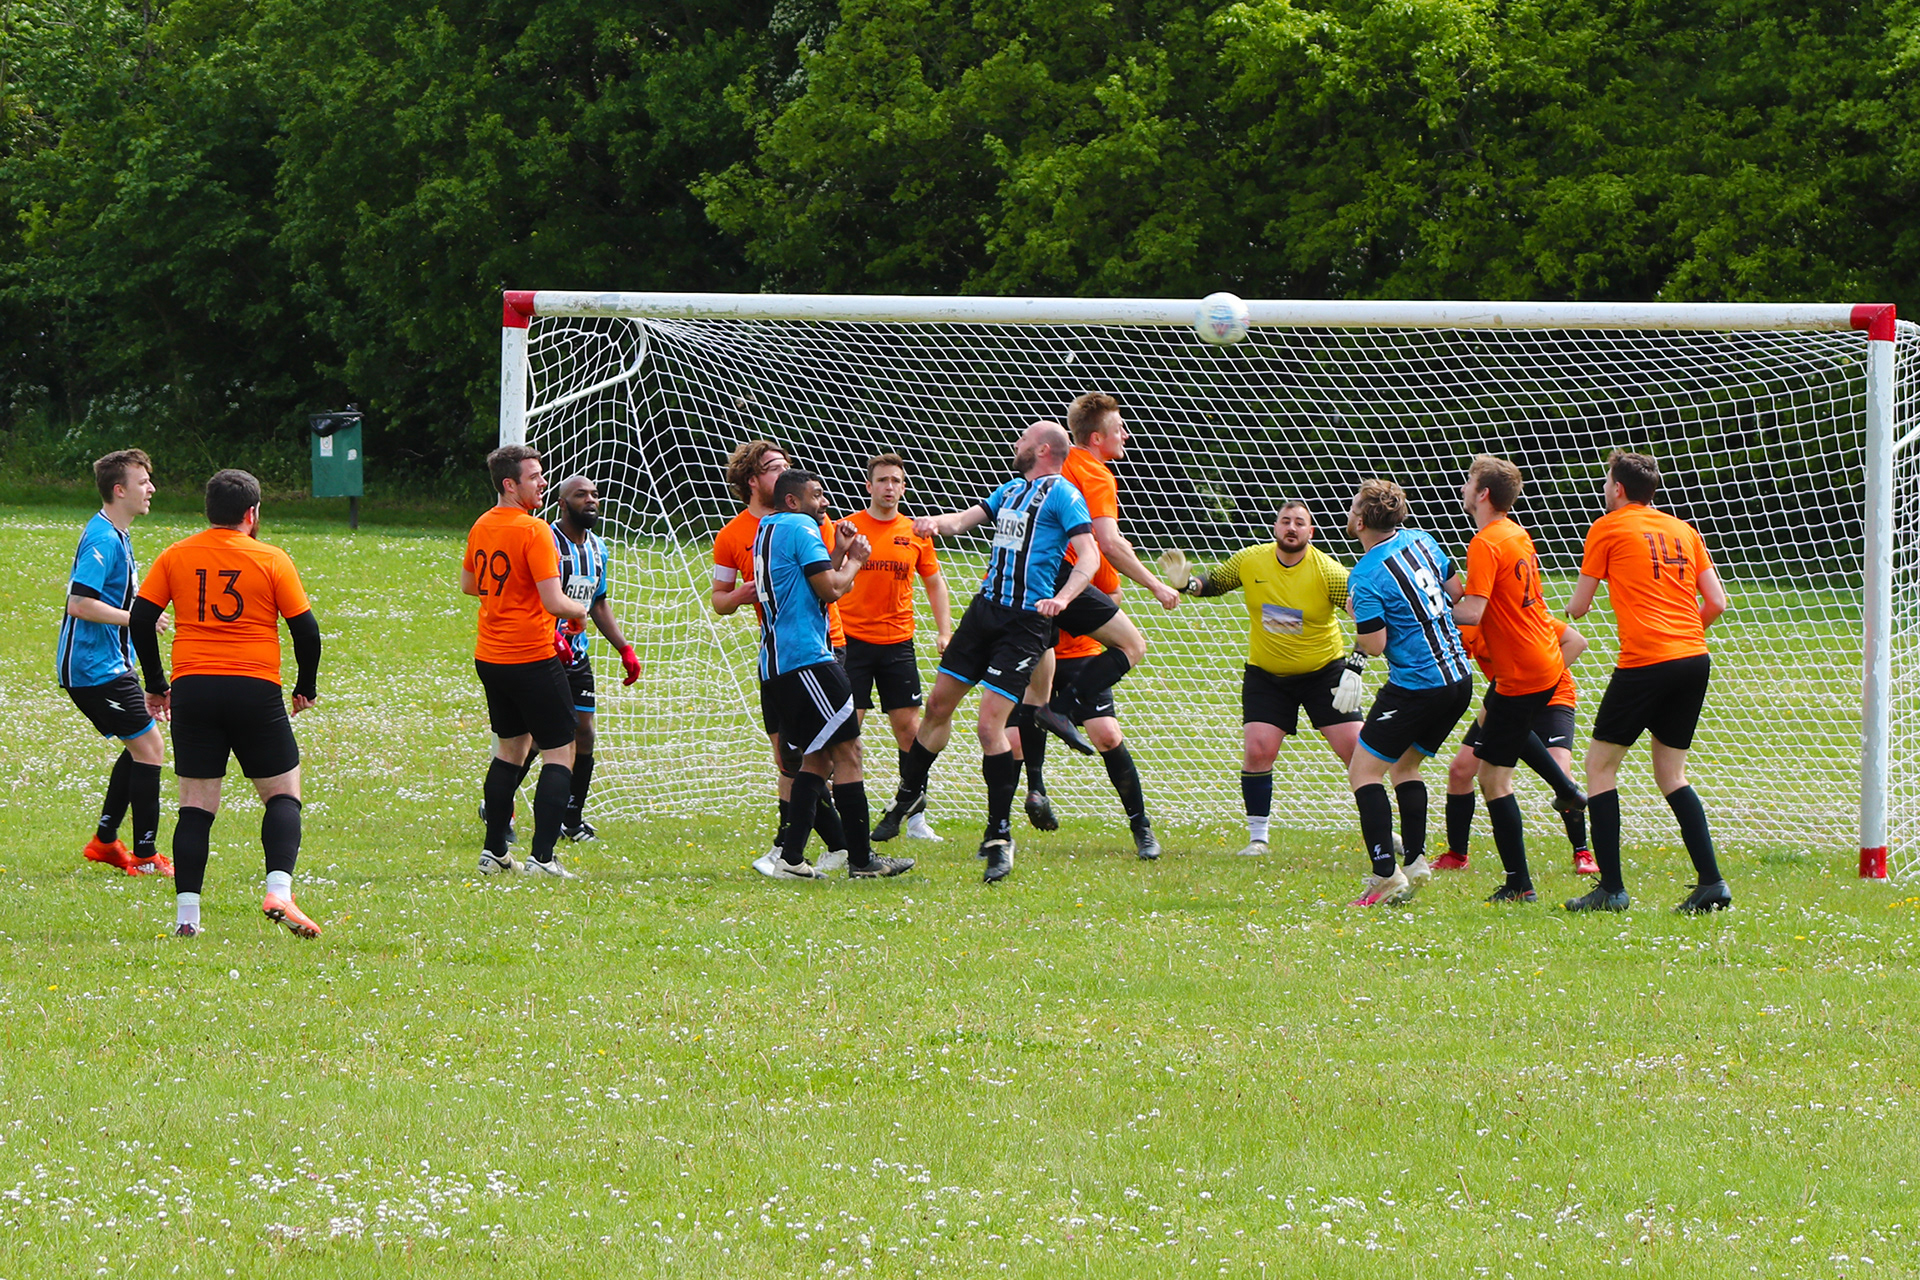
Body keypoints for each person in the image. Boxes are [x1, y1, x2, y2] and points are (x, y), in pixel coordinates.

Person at [874, 421, 1105, 882]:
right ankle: (907, 795)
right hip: (984, 613)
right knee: (937, 706)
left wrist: (1064, 598)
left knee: (988, 726)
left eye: (1023, 439)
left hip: (1024, 625)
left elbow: (1090, 555)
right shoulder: (1011, 490)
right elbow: (964, 521)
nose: (1016, 443)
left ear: (1043, 449)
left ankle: (999, 836)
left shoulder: (1064, 494)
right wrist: (935, 523)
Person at [128, 469, 323, 937]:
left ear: (208, 511)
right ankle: (279, 890)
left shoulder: (177, 554)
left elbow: (141, 619)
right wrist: (305, 686)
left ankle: (187, 920)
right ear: (251, 513)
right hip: (254, 688)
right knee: (282, 794)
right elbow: (306, 630)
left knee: (196, 806)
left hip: (194, 689)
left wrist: (155, 683)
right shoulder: (271, 558)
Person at [1564, 450, 1729, 913]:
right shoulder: (1684, 530)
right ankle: (1711, 883)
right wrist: (1682, 635)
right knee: (1671, 774)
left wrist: (1572, 609)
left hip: (1645, 662)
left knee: (1600, 767)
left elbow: (1580, 606)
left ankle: (1611, 889)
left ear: (1618, 488)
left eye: (1606, 482)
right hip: (1693, 658)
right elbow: (1716, 602)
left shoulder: (1607, 527)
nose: (1604, 489)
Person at [1012, 392, 1173, 861]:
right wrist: (1156, 585)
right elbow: (1109, 542)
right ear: (1098, 438)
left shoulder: (1055, 466)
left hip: (1045, 603)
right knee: (1131, 647)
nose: (1127, 435)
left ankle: (1139, 828)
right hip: (1060, 592)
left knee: (1102, 733)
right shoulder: (1096, 474)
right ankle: (1012, 812)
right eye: (1120, 429)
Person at [1174, 501, 1367, 857]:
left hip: (1323, 672)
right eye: (1285, 521)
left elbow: (1366, 617)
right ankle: (1258, 839)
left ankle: (1383, 832)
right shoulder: (1251, 560)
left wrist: (1355, 665)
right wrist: (1188, 583)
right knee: (1258, 750)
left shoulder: (1329, 571)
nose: (1291, 528)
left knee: (1359, 752)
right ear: (1275, 527)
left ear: (1311, 532)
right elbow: (1214, 582)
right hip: (1267, 676)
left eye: (1300, 523)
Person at [748, 469, 913, 879]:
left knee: (818, 757)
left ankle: (790, 858)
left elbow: (809, 584)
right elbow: (833, 590)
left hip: (780, 663)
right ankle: (861, 860)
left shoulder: (768, 528)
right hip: (807, 660)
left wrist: (837, 552)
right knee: (849, 752)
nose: (824, 502)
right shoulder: (801, 527)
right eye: (817, 495)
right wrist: (856, 559)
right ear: (793, 501)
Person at [1451, 455, 1587, 904]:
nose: (1464, 487)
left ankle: (1519, 884)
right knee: (1500, 727)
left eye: (1469, 481)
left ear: (1483, 494)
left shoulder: (1485, 542)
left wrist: (1426, 606)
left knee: (1492, 778)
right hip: (1544, 660)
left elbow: (1474, 611)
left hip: (1521, 672)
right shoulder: (1515, 533)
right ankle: (1566, 789)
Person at [711, 439, 853, 868]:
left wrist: (846, 556)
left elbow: (827, 577)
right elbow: (719, 600)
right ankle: (816, 849)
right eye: (774, 466)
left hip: (823, 645)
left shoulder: (810, 518)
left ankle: (809, 847)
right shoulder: (732, 535)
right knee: (790, 756)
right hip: (778, 653)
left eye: (785, 465)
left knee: (827, 752)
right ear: (753, 480)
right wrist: (741, 594)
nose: (784, 470)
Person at [1343, 478, 1474, 907]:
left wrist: (1360, 617)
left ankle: (1385, 875)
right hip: (1459, 678)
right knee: (1405, 765)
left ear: (1361, 521)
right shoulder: (1423, 540)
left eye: (1353, 506)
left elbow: (1374, 643)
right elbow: (1456, 592)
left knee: (1364, 773)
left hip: (1418, 686)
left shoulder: (1365, 575)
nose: (1349, 511)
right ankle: (1415, 861)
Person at [464, 445, 591, 879]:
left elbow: (469, 583)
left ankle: (495, 853)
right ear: (509, 484)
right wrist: (579, 611)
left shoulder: (482, 524)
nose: (542, 482)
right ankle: (542, 858)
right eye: (534, 476)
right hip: (531, 656)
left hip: (491, 656)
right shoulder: (534, 530)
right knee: (561, 750)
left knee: (510, 751)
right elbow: (554, 601)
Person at [59, 448, 173, 877]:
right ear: (119, 490)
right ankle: (144, 856)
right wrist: (138, 617)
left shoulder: (117, 534)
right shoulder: (104, 538)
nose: (151, 489)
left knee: (142, 745)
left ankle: (105, 842)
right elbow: (79, 604)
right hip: (92, 668)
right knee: (150, 748)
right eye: (143, 482)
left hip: (111, 662)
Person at [840, 453, 951, 840]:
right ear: (869, 486)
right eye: (883, 480)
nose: (889, 487)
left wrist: (944, 631)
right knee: (846, 732)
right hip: (851, 643)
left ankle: (915, 817)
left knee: (909, 731)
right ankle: (845, 820)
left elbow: (935, 583)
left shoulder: (916, 532)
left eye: (896, 481)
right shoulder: (847, 528)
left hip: (897, 644)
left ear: (903, 488)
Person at [1440, 618, 1593, 873]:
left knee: (1560, 771)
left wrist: (1539, 680)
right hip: (1506, 701)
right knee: (1460, 770)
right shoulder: (1468, 623)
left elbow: (1577, 642)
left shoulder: (1520, 617)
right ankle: (1457, 855)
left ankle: (1582, 852)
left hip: (1552, 699)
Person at [547, 475, 642, 842]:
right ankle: (499, 805)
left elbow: (597, 602)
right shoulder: (546, 542)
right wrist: (552, 634)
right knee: (540, 739)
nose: (591, 500)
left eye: (594, 495)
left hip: (577, 655)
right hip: (543, 651)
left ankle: (571, 819)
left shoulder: (598, 548)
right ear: (562, 503)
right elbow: (533, 597)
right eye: (580, 495)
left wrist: (624, 648)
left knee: (584, 732)